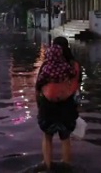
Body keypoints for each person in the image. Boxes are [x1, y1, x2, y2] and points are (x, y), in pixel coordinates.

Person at [35, 37, 82, 171]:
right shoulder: (74, 66)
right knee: (65, 138)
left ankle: (47, 166)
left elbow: (38, 86)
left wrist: (39, 105)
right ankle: (66, 167)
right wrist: (77, 106)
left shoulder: (46, 65)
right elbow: (77, 86)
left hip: (47, 105)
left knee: (47, 136)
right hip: (67, 105)